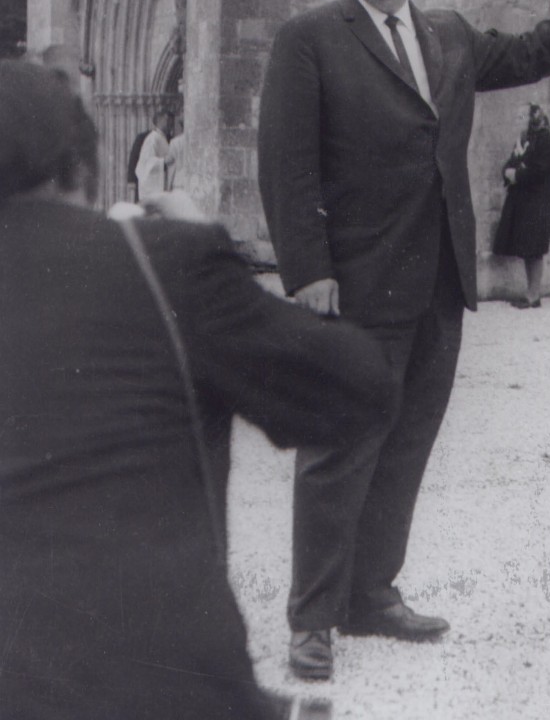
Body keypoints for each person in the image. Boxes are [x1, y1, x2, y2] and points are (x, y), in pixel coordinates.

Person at [257, 0, 550, 681]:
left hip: (437, 284)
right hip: (353, 288)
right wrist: (309, 273)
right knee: (338, 449)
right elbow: (287, 167)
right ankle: (313, 620)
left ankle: (371, 592)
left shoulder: (450, 38)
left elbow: (535, 52)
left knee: (405, 446)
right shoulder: (310, 40)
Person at [0, 61, 395, 720]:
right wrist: (202, 247)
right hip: (160, 686)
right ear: (79, 169)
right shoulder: (161, 261)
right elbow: (359, 390)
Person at [493, 103, 550, 307]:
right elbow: (511, 162)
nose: (519, 119)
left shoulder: (547, 140)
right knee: (527, 247)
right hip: (523, 200)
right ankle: (530, 292)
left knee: (535, 248)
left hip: (538, 201)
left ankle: (534, 295)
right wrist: (509, 171)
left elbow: (540, 170)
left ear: (533, 118)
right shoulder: (524, 139)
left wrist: (517, 173)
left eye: (523, 116)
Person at [135, 108, 173, 201]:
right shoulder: (152, 138)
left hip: (161, 182)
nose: (170, 124)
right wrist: (164, 161)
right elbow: (147, 162)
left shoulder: (163, 138)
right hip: (151, 186)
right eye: (167, 120)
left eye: (171, 121)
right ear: (159, 121)